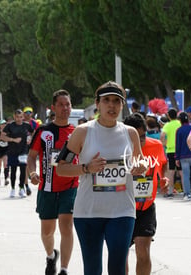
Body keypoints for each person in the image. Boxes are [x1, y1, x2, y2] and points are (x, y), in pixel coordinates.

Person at [56, 81, 147, 275]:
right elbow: (61, 168)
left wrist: (141, 167)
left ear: (123, 105)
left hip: (122, 210)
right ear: (97, 103)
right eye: (107, 101)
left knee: (117, 268)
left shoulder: (130, 133)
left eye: (116, 101)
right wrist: (87, 168)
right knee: (92, 269)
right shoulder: (82, 132)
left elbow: (140, 161)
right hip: (89, 211)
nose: (112, 106)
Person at [27, 90, 79, 275]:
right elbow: (31, 157)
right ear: (53, 107)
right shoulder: (43, 132)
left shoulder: (77, 132)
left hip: (70, 187)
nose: (65, 108)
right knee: (47, 232)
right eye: (61, 104)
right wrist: (32, 173)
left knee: (66, 227)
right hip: (47, 188)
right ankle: (51, 256)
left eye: (68, 104)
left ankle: (64, 269)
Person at [123, 113, 167, 275]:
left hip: (146, 206)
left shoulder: (155, 145)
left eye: (143, 136)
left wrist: (163, 178)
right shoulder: (118, 148)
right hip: (122, 207)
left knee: (143, 250)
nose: (140, 141)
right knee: (122, 255)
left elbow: (162, 164)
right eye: (135, 136)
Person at [1, 109, 33, 198]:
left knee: (23, 170)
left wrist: (30, 139)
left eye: (20, 117)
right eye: (17, 117)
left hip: (23, 151)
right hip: (12, 151)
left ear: (23, 117)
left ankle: (21, 188)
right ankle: (12, 189)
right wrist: (13, 140)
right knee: (13, 171)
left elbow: (33, 132)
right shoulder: (10, 126)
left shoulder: (26, 125)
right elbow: (2, 136)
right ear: (14, 116)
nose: (19, 119)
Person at [160, 108, 182, 198]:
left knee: (171, 171)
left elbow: (162, 136)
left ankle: (170, 191)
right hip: (180, 150)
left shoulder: (167, 125)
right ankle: (186, 192)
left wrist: (164, 143)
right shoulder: (180, 123)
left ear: (168, 116)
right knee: (181, 171)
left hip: (170, 150)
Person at [175, 112, 191, 200]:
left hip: (183, 156)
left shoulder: (179, 130)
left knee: (186, 175)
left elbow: (178, 145)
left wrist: (177, 158)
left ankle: (187, 194)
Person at [0, 119, 10, 186]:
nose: (3, 125)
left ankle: (6, 179)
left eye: (4, 124)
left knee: (6, 163)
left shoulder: (9, 132)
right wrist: (1, 136)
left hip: (6, 150)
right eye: (2, 124)